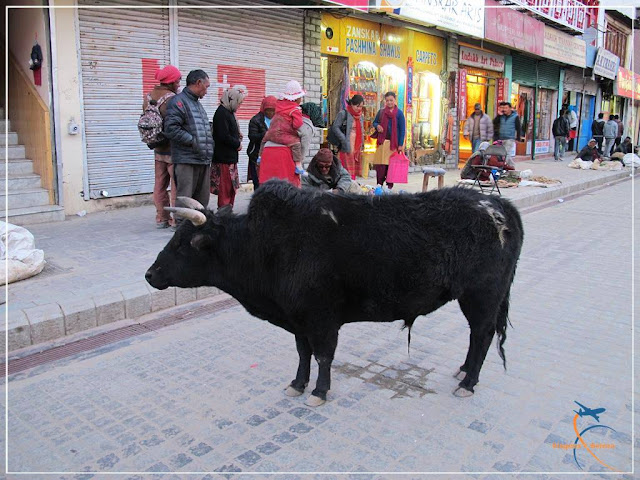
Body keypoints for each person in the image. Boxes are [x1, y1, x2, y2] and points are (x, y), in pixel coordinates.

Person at [164, 69, 214, 217]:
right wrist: (193, 141)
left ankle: (197, 232)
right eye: (206, 86)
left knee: (201, 201)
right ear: (198, 83)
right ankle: (182, 231)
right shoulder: (178, 102)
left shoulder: (197, 104)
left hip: (202, 159)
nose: (206, 90)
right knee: (186, 200)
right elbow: (171, 129)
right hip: (187, 160)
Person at [143, 64, 181, 229]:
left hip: (157, 148)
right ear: (171, 81)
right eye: (178, 80)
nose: (179, 84)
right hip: (172, 149)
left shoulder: (148, 96)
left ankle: (161, 218)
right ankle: (174, 219)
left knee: (159, 184)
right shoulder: (172, 99)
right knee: (176, 186)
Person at [258, 81, 306, 187]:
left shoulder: (279, 106)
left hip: (268, 146)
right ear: (297, 98)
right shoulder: (295, 109)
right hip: (284, 148)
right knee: (296, 143)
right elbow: (297, 125)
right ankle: (298, 165)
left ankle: (259, 157)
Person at [211, 86, 247, 210]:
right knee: (225, 189)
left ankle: (228, 210)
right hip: (223, 158)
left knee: (231, 188)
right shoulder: (222, 113)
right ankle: (223, 212)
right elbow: (223, 136)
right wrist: (237, 144)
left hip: (230, 158)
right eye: (239, 103)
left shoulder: (228, 112)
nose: (239, 106)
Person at [372, 91, 405, 189]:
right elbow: (374, 122)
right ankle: (379, 185)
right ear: (385, 101)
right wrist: (377, 126)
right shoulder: (381, 112)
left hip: (393, 144)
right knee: (381, 166)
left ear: (395, 100)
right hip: (382, 143)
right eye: (387, 101)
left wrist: (400, 144)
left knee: (391, 166)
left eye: (391, 100)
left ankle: (389, 187)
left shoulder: (399, 114)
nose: (389, 102)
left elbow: (402, 129)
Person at [328, 94, 365, 180]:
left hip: (356, 143)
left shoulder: (360, 116)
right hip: (347, 142)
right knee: (346, 163)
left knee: (354, 163)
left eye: (361, 106)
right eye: (357, 106)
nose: (359, 108)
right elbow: (335, 127)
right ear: (351, 104)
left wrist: (362, 143)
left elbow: (361, 130)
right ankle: (346, 181)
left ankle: (352, 181)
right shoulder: (344, 113)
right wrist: (343, 139)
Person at [246, 96, 276, 191]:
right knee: (258, 183)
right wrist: (266, 135)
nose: (270, 113)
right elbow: (252, 136)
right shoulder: (256, 120)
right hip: (257, 156)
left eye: (273, 110)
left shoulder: (277, 120)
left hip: (272, 156)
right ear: (264, 109)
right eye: (268, 110)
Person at [496, 102, 521, 166]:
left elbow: (518, 127)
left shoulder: (515, 116)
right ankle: (512, 166)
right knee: (501, 154)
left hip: (510, 138)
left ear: (510, 108)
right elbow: (495, 123)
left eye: (506, 108)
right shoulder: (501, 116)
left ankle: (502, 166)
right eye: (503, 108)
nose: (504, 109)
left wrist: (518, 138)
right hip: (501, 138)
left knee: (506, 154)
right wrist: (499, 115)